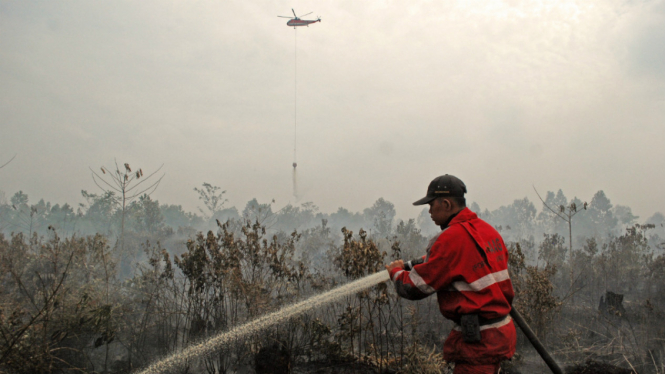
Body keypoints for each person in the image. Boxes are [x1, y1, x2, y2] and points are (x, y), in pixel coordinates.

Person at [385, 174, 516, 374]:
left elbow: (413, 287)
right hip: (499, 334)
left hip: (478, 344)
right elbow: (460, 260)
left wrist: (395, 272)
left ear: (446, 204)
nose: (429, 211)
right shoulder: (487, 231)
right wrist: (420, 261)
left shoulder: (449, 240)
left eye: (431, 205)